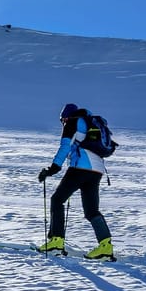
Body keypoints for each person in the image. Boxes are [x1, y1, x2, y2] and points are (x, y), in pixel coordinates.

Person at [39, 101, 114, 260]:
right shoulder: (88, 123)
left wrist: (53, 169)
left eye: (62, 121)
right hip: (96, 171)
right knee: (91, 211)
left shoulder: (73, 122)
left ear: (66, 117)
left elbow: (65, 146)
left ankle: (56, 241)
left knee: (57, 200)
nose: (63, 123)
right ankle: (105, 247)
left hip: (80, 169)